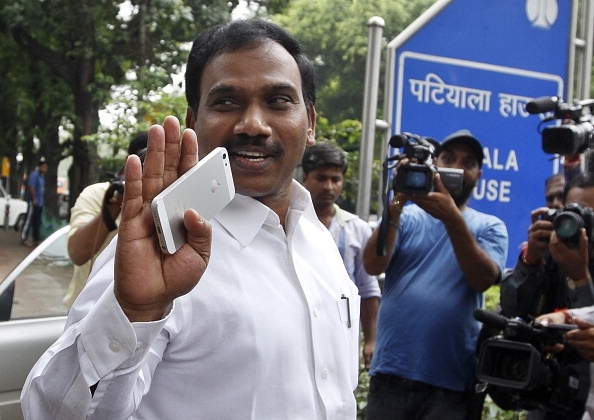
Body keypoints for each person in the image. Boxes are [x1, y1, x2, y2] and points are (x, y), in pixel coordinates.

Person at [21, 19, 360, 419]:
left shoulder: (318, 239)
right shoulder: (158, 245)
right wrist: (135, 314)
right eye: (226, 102)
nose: (253, 124)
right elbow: (52, 413)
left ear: (311, 123)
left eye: (279, 101)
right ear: (194, 120)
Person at [362, 129, 508, 419]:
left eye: (467, 163)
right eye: (449, 159)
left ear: (478, 175)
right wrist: (397, 204)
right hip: (391, 373)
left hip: (450, 385)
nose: (456, 168)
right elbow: (372, 265)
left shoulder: (490, 226)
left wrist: (452, 218)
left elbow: (482, 279)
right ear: (434, 166)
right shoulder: (407, 216)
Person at [499, 174, 594, 418]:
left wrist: (579, 276)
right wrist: (531, 258)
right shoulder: (553, 252)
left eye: (590, 218)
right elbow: (511, 308)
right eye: (574, 214)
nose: (581, 228)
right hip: (548, 394)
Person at [301, 142, 381, 369]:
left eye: (335, 180)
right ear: (305, 178)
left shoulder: (357, 229)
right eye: (321, 178)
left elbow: (368, 289)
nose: (328, 186)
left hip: (341, 335)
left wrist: (371, 340)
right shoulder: (285, 222)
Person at [63, 132, 148, 308]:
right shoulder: (97, 195)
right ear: (128, 162)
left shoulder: (168, 203)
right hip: (85, 315)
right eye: (145, 162)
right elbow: (77, 253)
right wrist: (116, 201)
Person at [20, 158, 47, 247]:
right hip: (33, 202)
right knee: (29, 220)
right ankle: (23, 238)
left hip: (40, 203)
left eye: (45, 167)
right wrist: (34, 199)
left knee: (37, 221)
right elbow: (31, 187)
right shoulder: (34, 175)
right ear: (39, 167)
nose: (44, 169)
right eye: (43, 167)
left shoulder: (41, 177)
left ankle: (36, 239)